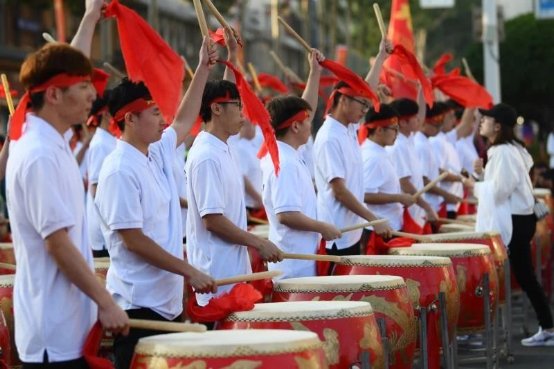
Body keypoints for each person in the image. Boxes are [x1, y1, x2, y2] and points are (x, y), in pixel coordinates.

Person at [6, 1, 129, 367]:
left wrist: (90, 16)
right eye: (83, 86)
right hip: (52, 334)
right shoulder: (39, 152)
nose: (94, 94)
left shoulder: (52, 139)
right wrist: (106, 301)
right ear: (55, 95)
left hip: (67, 327)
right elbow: (57, 244)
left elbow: (68, 62)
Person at [95, 39, 217, 369]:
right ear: (129, 119)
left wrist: (203, 69)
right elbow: (132, 240)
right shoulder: (119, 169)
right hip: (138, 305)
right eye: (153, 113)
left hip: (166, 299)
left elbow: (183, 120)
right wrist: (189, 270)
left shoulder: (155, 151)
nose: (163, 120)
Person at [471, 103, 554, 346]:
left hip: (517, 220)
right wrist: (480, 177)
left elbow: (498, 191)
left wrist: (473, 185)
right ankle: (547, 326)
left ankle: (547, 326)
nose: (481, 123)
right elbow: (497, 185)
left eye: (485, 120)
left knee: (525, 275)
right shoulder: (504, 150)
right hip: (519, 218)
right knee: (525, 274)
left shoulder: (505, 152)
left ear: (497, 126)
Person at [261, 49, 341, 280]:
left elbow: (308, 107)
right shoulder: (284, 163)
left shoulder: (288, 152)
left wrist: (314, 73)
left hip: (299, 259)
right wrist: (321, 227)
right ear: (295, 127)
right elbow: (286, 215)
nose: (311, 124)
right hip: (293, 266)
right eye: (307, 121)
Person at [359, 104, 414, 248]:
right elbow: (365, 195)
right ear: (379, 130)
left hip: (389, 226)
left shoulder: (380, 151)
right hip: (380, 231)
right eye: (394, 130)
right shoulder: (372, 158)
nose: (397, 134)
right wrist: (399, 197)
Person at [388, 95, 438, 229]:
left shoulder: (408, 138)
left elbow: (420, 114)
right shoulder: (398, 145)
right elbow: (404, 183)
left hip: (416, 211)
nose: (419, 120)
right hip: (407, 213)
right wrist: (426, 206)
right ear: (403, 122)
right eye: (415, 117)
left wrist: (422, 88)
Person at [86, 90, 116, 257]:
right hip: (104, 230)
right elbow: (95, 188)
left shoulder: (110, 140)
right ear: (105, 113)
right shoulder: (100, 143)